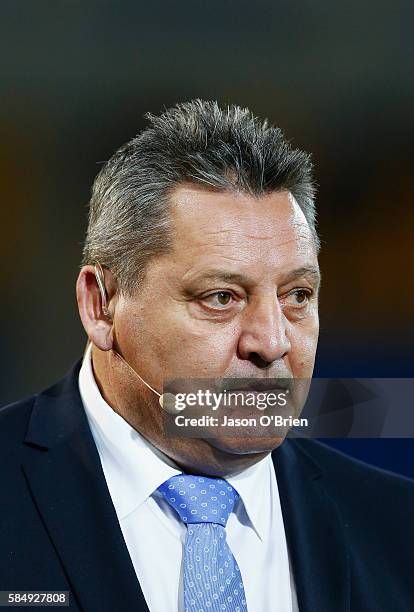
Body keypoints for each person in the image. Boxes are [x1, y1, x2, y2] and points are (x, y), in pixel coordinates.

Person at [0, 99, 413, 612]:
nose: (271, 342)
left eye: (298, 296)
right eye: (221, 298)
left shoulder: (398, 528)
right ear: (101, 305)